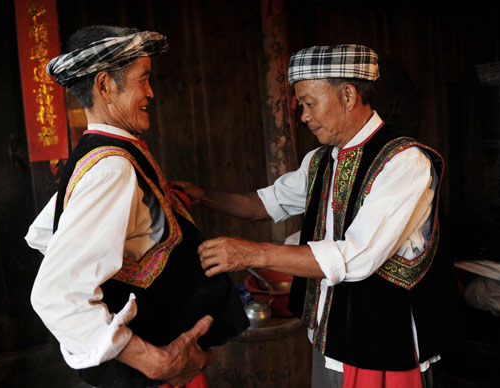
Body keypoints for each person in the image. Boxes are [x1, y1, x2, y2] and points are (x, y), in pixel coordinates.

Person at [176, 44, 453, 388]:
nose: (303, 116)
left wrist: (252, 253)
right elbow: (263, 204)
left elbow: (357, 255)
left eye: (309, 103)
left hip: (383, 338)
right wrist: (203, 196)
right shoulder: (321, 160)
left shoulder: (403, 161)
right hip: (331, 329)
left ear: (349, 95)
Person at [25, 25, 248, 388]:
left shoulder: (106, 154)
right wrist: (154, 360)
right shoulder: (111, 167)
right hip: (155, 375)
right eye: (143, 79)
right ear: (104, 86)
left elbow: (46, 234)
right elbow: (57, 292)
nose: (150, 92)